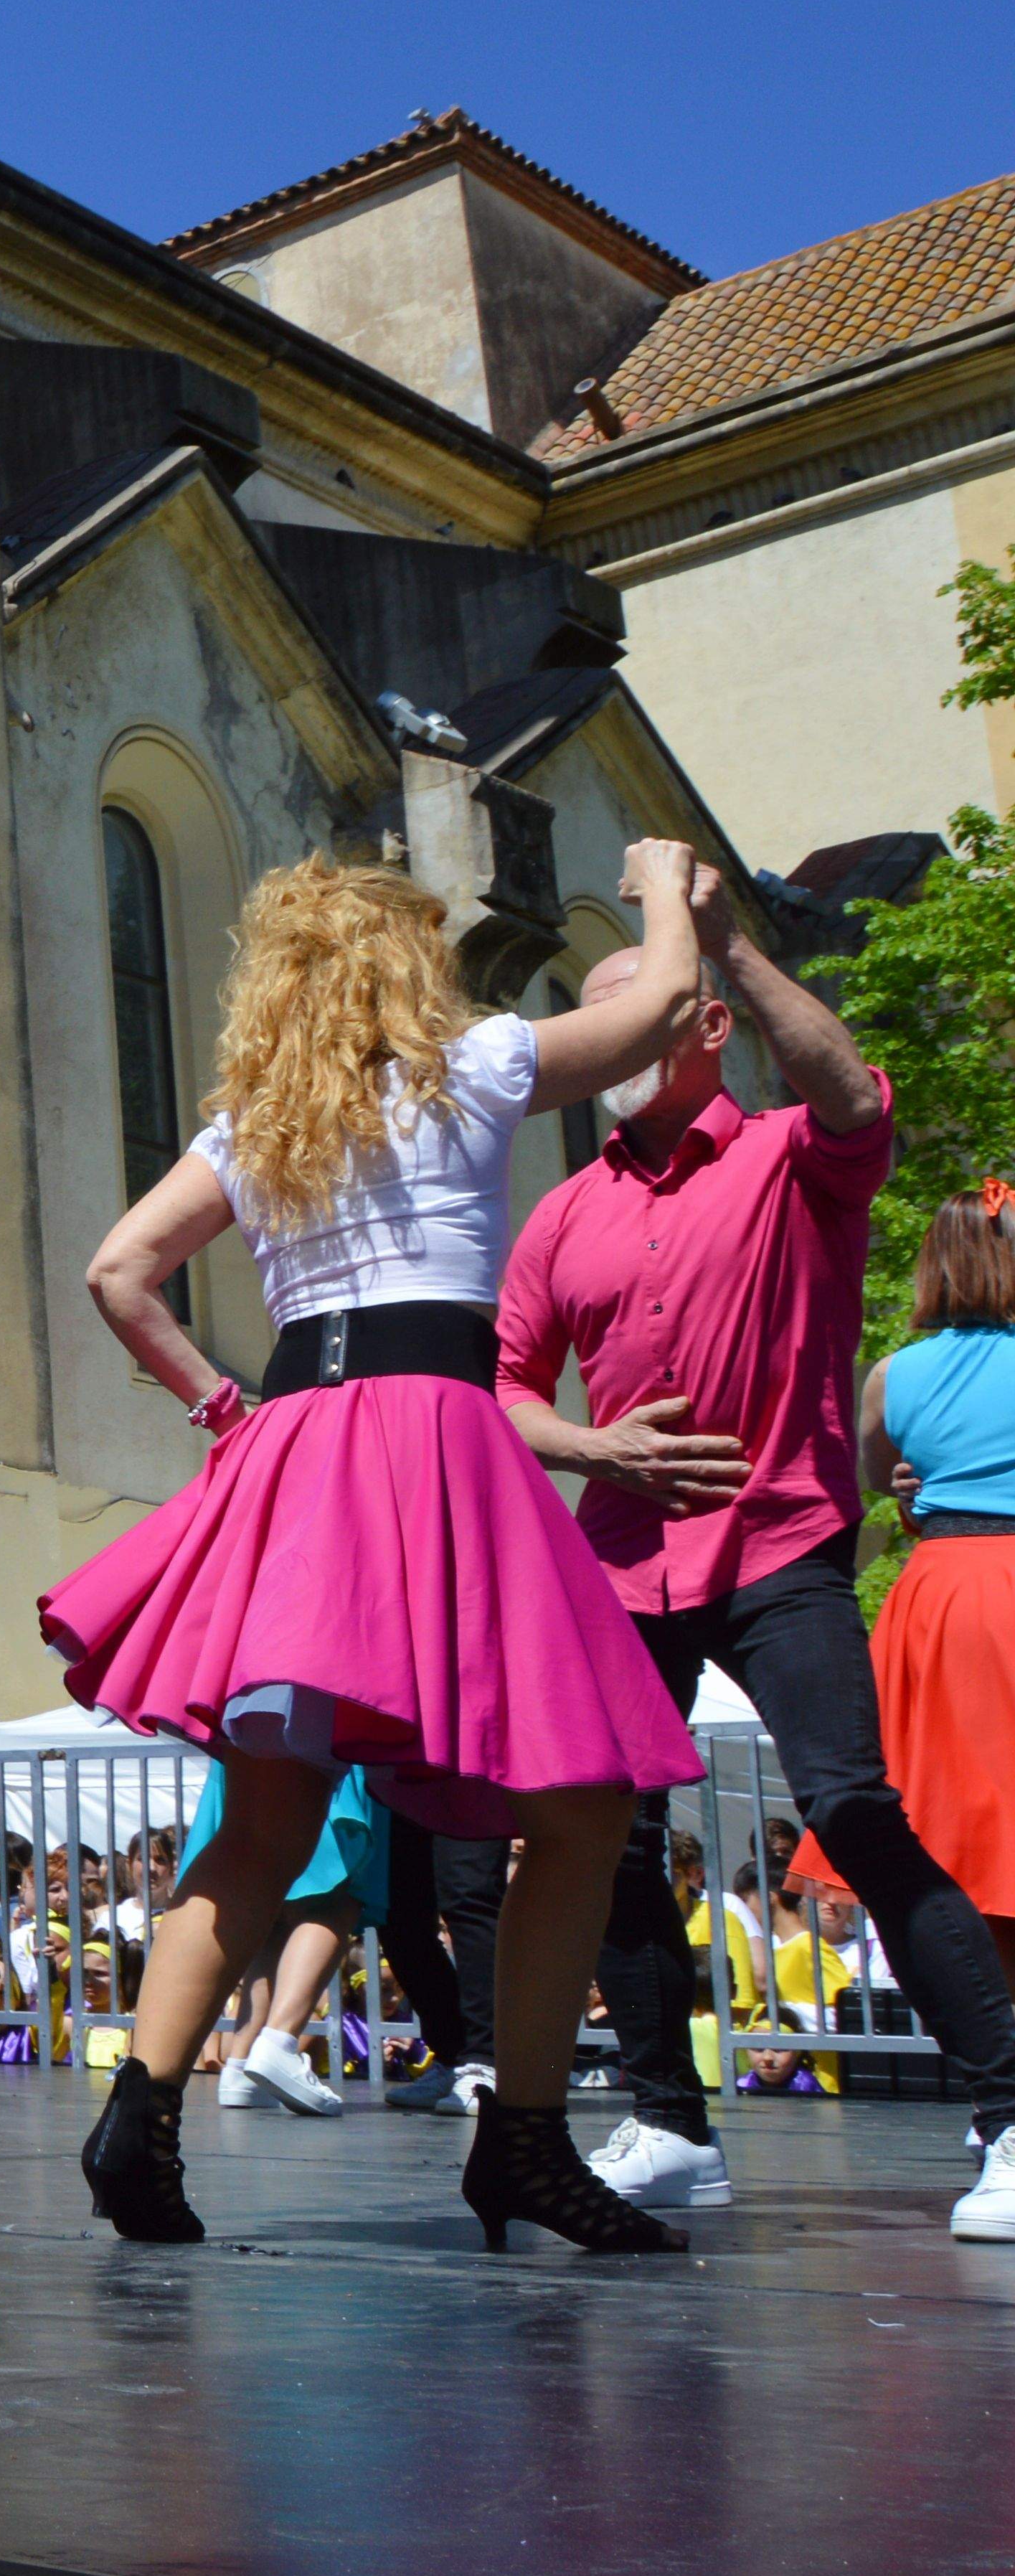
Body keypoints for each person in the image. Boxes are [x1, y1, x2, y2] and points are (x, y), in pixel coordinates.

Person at [50, 845, 712, 2253]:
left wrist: (216, 1403)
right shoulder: (467, 1065)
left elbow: (117, 1270)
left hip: (296, 1449)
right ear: (390, 964)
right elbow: (658, 1013)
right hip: (430, 1439)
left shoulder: (255, 1122)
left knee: (266, 1808)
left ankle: (139, 2111)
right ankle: (522, 2139)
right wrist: (661, 885)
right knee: (582, 1801)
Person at [496, 885, 1015, 2238]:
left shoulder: (793, 1152)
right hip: (618, 1560)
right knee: (595, 1837)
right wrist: (592, 1446)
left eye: (621, 1004)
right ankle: (668, 2123)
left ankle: (1011, 2117)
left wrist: (717, 928)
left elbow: (860, 1099)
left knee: (851, 1806)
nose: (589, 1032)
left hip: (779, 1541)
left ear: (702, 1022)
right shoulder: (562, 1217)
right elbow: (501, 1388)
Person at [857, 1185, 1015, 2196]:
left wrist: (921, 1481)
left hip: (946, 1601)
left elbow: (879, 1478)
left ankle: (997, 2094)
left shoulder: (892, 1374)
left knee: (961, 1848)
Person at [194, 1767, 383, 2115]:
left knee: (277, 1912)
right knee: (333, 1898)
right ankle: (279, 2043)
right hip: (326, 1745)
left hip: (253, 1738)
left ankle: (241, 2064)